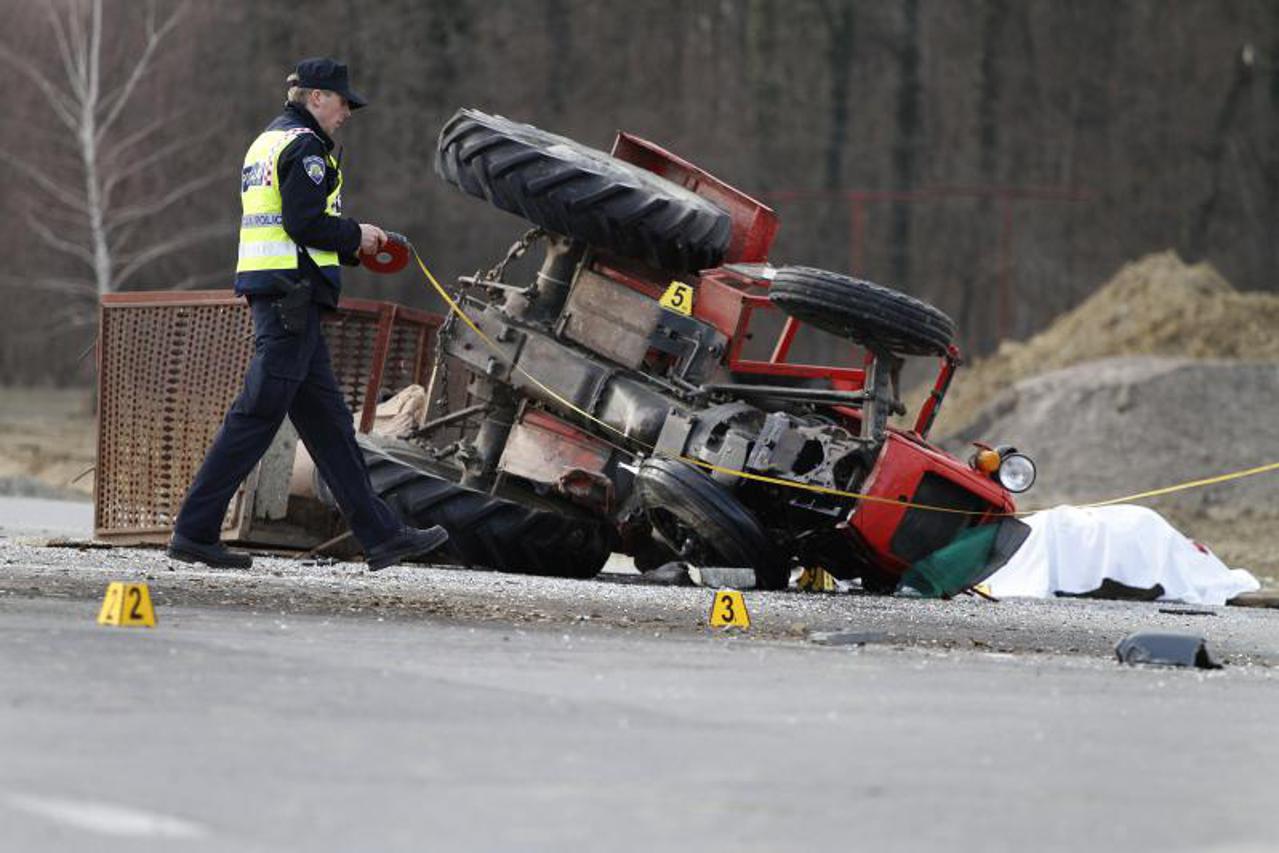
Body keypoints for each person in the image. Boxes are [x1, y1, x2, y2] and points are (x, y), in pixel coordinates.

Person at [168, 58, 447, 571]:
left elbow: (289, 224)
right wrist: (355, 236)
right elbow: (304, 222)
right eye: (344, 103)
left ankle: (381, 536)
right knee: (255, 417)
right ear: (316, 97)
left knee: (331, 429)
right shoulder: (306, 147)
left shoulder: (267, 141)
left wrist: (351, 245)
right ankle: (194, 529)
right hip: (290, 298)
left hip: (282, 294)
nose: (347, 114)